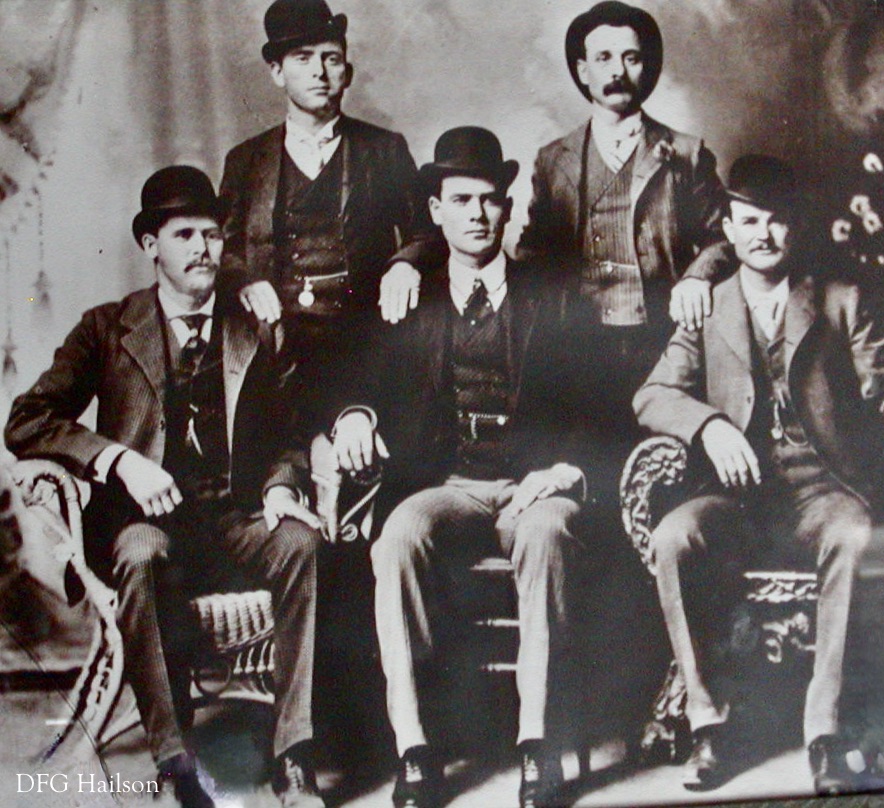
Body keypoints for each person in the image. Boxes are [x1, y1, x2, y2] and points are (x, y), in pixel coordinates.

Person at [5, 167, 328, 808]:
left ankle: (294, 754)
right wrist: (118, 461)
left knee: (300, 542)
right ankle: (178, 764)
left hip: (237, 516)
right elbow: (26, 420)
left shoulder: (252, 326)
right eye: (185, 235)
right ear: (150, 245)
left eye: (212, 234)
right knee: (141, 554)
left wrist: (282, 488)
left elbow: (291, 435)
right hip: (145, 521)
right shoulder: (107, 328)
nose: (203, 249)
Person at [632, 155, 884, 794]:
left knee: (852, 533)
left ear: (796, 226)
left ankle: (824, 733)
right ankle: (709, 725)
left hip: (820, 491)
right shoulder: (709, 308)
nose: (764, 235)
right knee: (672, 536)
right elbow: (652, 395)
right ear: (728, 228)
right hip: (734, 497)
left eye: (776, 221)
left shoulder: (839, 300)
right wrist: (709, 426)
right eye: (749, 222)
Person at [323, 127, 585, 808]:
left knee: (547, 533)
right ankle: (414, 747)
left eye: (490, 199)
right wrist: (355, 416)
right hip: (447, 483)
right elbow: (353, 378)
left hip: (533, 482)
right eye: (461, 200)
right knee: (398, 537)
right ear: (435, 211)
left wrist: (560, 470)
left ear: (508, 208)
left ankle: (537, 743)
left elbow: (599, 404)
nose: (477, 214)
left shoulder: (552, 294)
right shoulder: (407, 296)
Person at [383, 1, 725, 511]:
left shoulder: (685, 153)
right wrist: (412, 261)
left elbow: (725, 237)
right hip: (576, 345)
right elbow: (518, 250)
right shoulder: (553, 159)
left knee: (657, 483)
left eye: (631, 58)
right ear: (582, 71)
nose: (617, 71)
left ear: (648, 67)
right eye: (603, 58)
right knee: (588, 476)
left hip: (661, 342)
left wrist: (698, 276)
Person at [219, 0, 433, 418]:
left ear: (346, 73)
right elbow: (221, 249)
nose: (319, 72)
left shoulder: (384, 150)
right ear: (277, 72)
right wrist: (244, 280)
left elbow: (426, 232)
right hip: (274, 347)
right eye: (302, 58)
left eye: (331, 58)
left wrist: (405, 263)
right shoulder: (246, 160)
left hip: (367, 344)